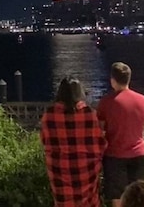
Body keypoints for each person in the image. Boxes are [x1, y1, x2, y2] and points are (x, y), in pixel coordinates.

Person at [40, 76, 107, 206]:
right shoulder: (89, 114)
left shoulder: (50, 114)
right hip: (86, 169)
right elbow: (100, 142)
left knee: (63, 200)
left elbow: (44, 140)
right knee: (89, 201)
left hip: (60, 168)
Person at [96, 62, 144, 207]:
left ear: (113, 80)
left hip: (115, 156)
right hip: (139, 154)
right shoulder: (142, 100)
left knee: (118, 198)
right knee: (138, 198)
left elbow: (99, 130)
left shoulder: (106, 103)